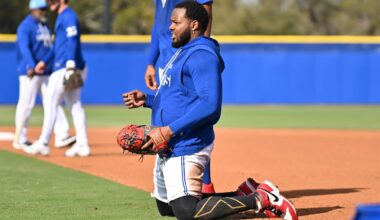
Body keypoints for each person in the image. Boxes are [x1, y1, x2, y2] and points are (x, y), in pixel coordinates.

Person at [124, 2, 298, 219]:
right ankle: (243, 193)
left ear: (194, 24)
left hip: (186, 143)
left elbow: (210, 106)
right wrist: (148, 99)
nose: (170, 27)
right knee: (166, 207)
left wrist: (169, 130)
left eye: (176, 22)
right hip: (170, 143)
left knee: (187, 213)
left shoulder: (201, 56)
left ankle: (261, 199)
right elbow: (177, 95)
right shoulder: (181, 52)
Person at [145, 0, 215, 194]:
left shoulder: (198, 55)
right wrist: (151, 62)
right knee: (168, 112)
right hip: (165, 59)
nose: (171, 25)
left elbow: (204, 17)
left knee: (191, 116)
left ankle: (205, 185)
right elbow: (158, 26)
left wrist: (198, 53)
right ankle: (174, 180)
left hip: (183, 54)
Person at [25, 0, 89, 157]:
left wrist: (70, 64)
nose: (49, 3)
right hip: (70, 65)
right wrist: (44, 62)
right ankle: (83, 145)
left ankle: (44, 143)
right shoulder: (63, 16)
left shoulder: (68, 16)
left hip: (65, 66)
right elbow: (57, 46)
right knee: (75, 104)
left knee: (50, 101)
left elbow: (73, 40)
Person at [14, 0, 75, 150]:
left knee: (53, 101)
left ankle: (62, 134)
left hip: (46, 71)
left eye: (44, 8)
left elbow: (51, 48)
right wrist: (33, 66)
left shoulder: (45, 25)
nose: (44, 11)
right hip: (30, 71)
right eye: (41, 9)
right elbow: (24, 48)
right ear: (32, 10)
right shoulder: (25, 26)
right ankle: (20, 138)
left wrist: (45, 63)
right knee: (26, 104)